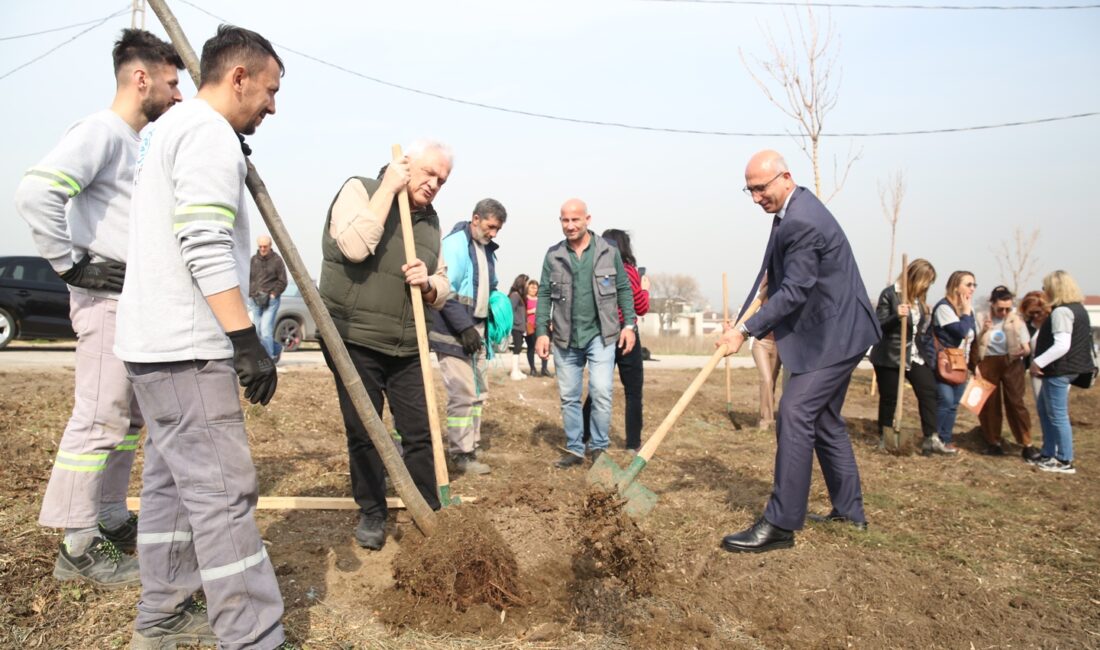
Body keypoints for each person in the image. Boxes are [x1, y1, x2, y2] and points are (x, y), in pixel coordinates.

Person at [114, 25, 289, 649]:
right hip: (188, 349)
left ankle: (162, 613)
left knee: (171, 485)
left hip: (149, 346)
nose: (272, 105)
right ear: (237, 77)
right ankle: (252, 637)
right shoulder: (209, 135)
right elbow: (206, 242)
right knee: (221, 495)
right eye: (268, 90)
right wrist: (245, 340)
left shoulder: (171, 127)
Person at [14, 29, 183, 589]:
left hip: (130, 299)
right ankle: (78, 543)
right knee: (97, 419)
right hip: (105, 298)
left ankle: (109, 516)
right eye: (170, 82)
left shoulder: (134, 142)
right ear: (142, 78)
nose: (177, 95)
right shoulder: (102, 131)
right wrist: (71, 265)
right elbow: (37, 192)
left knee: (127, 421)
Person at [717, 150, 880, 553]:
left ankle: (781, 523)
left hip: (837, 334)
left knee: (794, 412)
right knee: (823, 419)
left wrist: (747, 333)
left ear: (785, 178)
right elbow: (768, 279)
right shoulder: (790, 212)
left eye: (760, 188)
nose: (755, 197)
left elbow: (793, 291)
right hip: (834, 330)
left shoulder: (803, 221)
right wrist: (737, 326)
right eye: (749, 190)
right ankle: (850, 511)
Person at [318, 139, 452, 550]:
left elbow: (444, 282)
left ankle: (427, 511)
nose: (434, 184)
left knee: (420, 431)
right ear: (406, 164)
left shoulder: (430, 222)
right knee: (365, 430)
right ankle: (373, 511)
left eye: (442, 180)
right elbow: (354, 248)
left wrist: (429, 284)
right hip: (354, 337)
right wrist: (388, 191)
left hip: (408, 343)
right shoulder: (359, 189)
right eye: (429, 173)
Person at [534, 199, 637, 469]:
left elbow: (624, 289)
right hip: (565, 338)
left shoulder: (607, 251)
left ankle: (599, 448)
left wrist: (629, 326)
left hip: (601, 335)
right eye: (564, 220)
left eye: (575, 220)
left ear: (587, 219)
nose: (570, 225)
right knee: (569, 396)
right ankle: (575, 448)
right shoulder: (553, 255)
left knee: (601, 390)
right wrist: (542, 332)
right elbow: (544, 293)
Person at [430, 198, 508, 475]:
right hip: (453, 331)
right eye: (490, 226)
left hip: (477, 330)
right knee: (463, 393)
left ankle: (471, 444)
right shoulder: (455, 246)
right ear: (475, 219)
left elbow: (488, 286)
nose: (494, 233)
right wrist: (463, 328)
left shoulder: (486, 249)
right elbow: (444, 291)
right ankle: (461, 453)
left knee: (478, 393)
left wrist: (496, 305)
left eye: (498, 229)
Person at [582, 228, 650, 452]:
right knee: (633, 391)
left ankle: (584, 435)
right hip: (627, 333)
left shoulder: (595, 269)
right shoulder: (629, 271)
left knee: (598, 388)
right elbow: (640, 307)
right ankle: (632, 444)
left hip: (602, 334)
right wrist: (644, 289)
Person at [869, 259, 941, 453]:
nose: (928, 285)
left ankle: (931, 437)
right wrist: (896, 316)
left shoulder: (919, 300)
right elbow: (878, 325)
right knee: (889, 397)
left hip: (914, 355)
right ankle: (885, 437)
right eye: (927, 281)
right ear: (916, 278)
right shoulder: (891, 294)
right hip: (891, 355)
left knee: (928, 391)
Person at [1030, 270, 1093, 475]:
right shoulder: (1079, 310)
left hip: (1060, 370)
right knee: (1044, 408)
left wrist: (1038, 362)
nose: (1043, 291)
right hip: (1068, 368)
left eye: (1045, 287)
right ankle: (1048, 452)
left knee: (1057, 415)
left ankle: (1065, 459)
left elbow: (1062, 345)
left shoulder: (1062, 312)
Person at [972, 285, 1037, 460]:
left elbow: (1027, 348)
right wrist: (984, 330)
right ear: (992, 304)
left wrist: (1023, 352)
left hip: (1011, 362)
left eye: (1008, 308)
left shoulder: (1017, 320)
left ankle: (1027, 443)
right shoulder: (980, 317)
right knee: (989, 404)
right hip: (987, 361)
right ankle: (993, 442)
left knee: (1016, 402)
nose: (1004, 312)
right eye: (1000, 308)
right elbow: (974, 342)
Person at [931, 271, 977, 455]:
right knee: (945, 399)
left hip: (961, 364)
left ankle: (945, 439)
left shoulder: (970, 310)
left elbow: (973, 339)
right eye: (968, 284)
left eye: (974, 285)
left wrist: (975, 364)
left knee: (953, 403)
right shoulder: (944, 308)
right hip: (943, 362)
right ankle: (933, 437)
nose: (972, 289)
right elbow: (960, 331)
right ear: (956, 286)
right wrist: (966, 313)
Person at [249, 234, 288, 358]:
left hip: (271, 300)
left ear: (270, 246)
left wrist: (274, 294)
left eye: (265, 246)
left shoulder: (277, 260)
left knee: (265, 330)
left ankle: (269, 359)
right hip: (254, 299)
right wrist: (250, 293)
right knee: (256, 331)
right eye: (260, 246)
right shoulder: (253, 260)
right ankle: (276, 349)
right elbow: (248, 278)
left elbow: (283, 281)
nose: (262, 249)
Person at [1019, 290, 1052, 401]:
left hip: (1056, 370)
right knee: (1041, 403)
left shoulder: (1053, 323)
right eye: (1031, 313)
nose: (1036, 316)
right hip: (1036, 371)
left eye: (1038, 312)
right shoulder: (1027, 326)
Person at [507, 273, 529, 380]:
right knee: (517, 347)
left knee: (519, 348)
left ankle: (517, 370)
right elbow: (510, 310)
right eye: (527, 283)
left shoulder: (519, 296)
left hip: (519, 326)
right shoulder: (515, 295)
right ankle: (514, 372)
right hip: (516, 326)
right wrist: (517, 322)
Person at [526, 279, 549, 377]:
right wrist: (532, 311)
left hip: (541, 326)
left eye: (535, 288)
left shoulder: (540, 299)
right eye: (532, 287)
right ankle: (532, 369)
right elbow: (522, 312)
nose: (534, 289)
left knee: (544, 347)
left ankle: (544, 369)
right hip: (530, 327)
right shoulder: (524, 299)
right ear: (528, 288)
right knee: (531, 348)